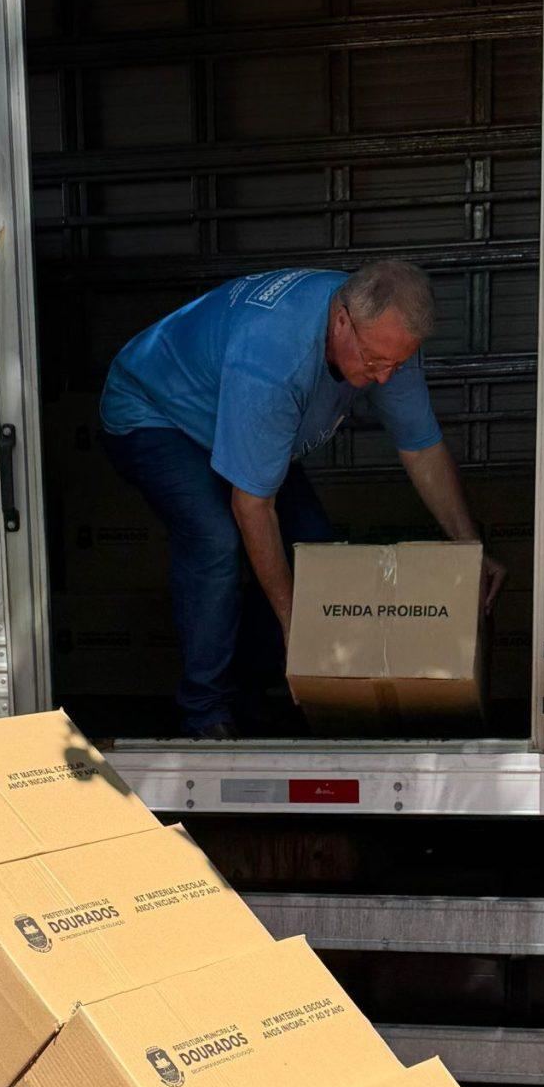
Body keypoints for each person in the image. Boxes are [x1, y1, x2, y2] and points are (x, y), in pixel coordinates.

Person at [99, 260, 505, 738]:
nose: (382, 379)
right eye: (375, 361)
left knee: (313, 549)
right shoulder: (273, 357)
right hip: (155, 411)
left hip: (233, 412)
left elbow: (421, 447)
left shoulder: (387, 340)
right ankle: (205, 711)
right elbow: (252, 507)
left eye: (395, 365)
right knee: (215, 541)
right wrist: (296, 624)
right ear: (341, 322)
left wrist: (468, 549)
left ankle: (249, 693)